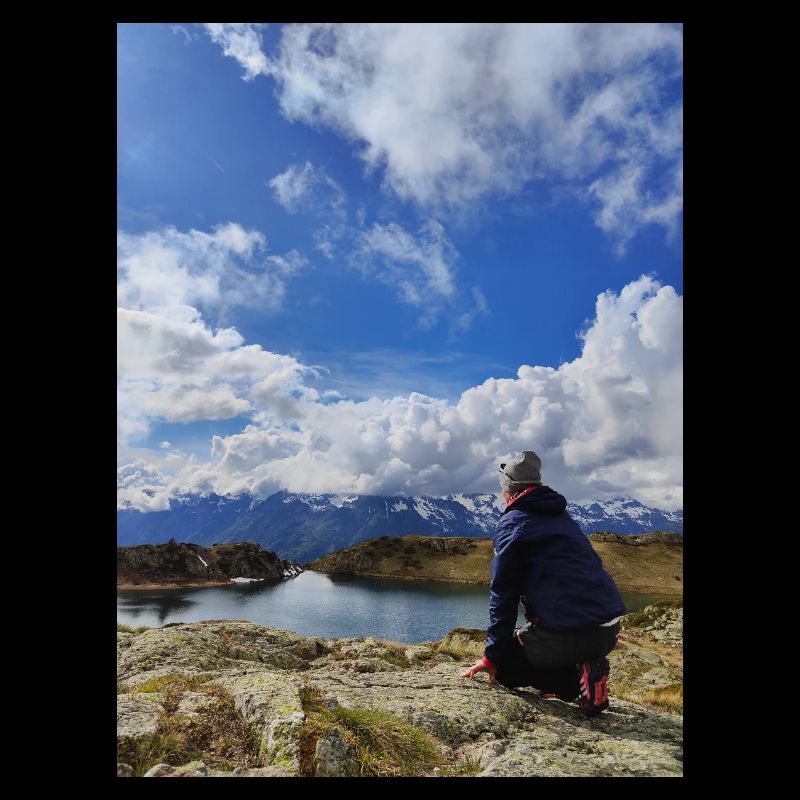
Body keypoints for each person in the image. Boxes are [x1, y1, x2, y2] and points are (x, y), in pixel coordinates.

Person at [461, 450, 626, 717]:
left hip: (569, 635)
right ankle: (585, 672)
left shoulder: (513, 524)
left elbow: (504, 594)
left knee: (505, 665)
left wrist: (491, 657)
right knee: (527, 637)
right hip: (608, 631)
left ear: (509, 490)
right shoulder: (564, 519)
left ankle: (572, 682)